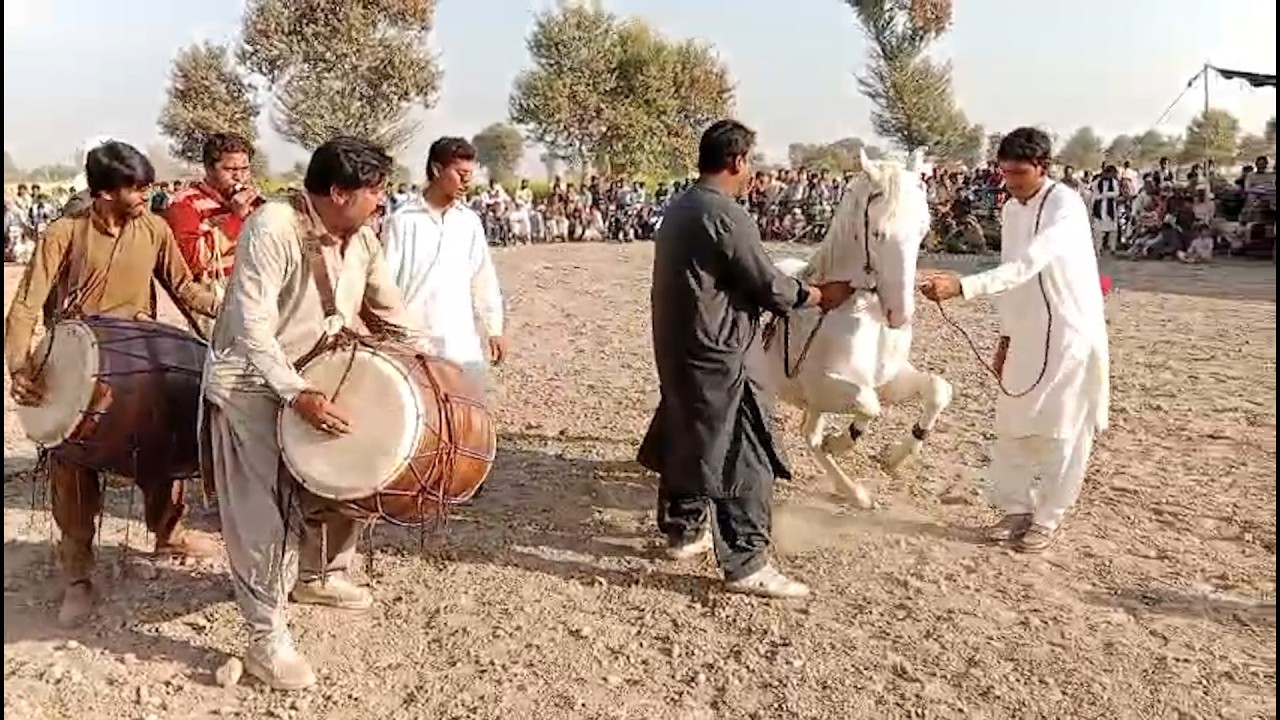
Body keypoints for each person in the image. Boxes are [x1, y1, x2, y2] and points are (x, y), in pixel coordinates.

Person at [201, 136, 426, 691]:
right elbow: (252, 327)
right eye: (374, 192)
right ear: (338, 192)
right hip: (251, 385)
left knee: (352, 476)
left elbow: (390, 312)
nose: (382, 202)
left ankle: (321, 574)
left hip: (321, 380)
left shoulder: (364, 239)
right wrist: (295, 392)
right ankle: (265, 640)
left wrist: (431, 362)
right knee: (261, 515)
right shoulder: (273, 226)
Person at [5, 141, 222, 626]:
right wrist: (19, 366)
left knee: (162, 440)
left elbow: (183, 288)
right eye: (136, 187)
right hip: (81, 364)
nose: (146, 194)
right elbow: (24, 304)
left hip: (141, 356)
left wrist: (227, 306)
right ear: (103, 192)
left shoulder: (155, 229)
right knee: (73, 463)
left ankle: (168, 532)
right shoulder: (64, 233)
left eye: (147, 185)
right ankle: (78, 575)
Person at [637, 120, 854, 599]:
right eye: (751, 160)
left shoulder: (680, 207)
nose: (751, 170)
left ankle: (683, 530)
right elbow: (770, 286)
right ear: (736, 161)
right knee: (744, 454)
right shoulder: (727, 215)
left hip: (681, 349)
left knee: (686, 429)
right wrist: (818, 294)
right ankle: (747, 563)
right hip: (723, 354)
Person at [920, 127, 1110, 553]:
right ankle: (1015, 509)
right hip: (1024, 333)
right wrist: (1005, 336)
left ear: (1043, 167)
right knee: (1012, 424)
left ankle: (1048, 519)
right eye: (1004, 173)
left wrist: (963, 287)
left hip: (1069, 334)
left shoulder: (1065, 204)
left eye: (1019, 173)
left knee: (1063, 431)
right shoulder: (1010, 210)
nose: (1010, 182)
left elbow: (1028, 264)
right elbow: (1013, 275)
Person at [381, 137, 506, 395]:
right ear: (437, 170)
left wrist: (495, 328)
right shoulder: (402, 222)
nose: (467, 182)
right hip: (414, 344)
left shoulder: (469, 222)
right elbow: (385, 286)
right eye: (460, 174)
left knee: (468, 419)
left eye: (470, 174)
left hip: (460, 341)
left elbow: (483, 278)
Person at [164, 133, 262, 337]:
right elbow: (193, 261)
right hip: (215, 301)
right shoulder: (184, 204)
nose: (239, 177)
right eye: (230, 169)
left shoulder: (254, 202)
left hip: (255, 296)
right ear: (208, 168)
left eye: (244, 169)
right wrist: (235, 219)